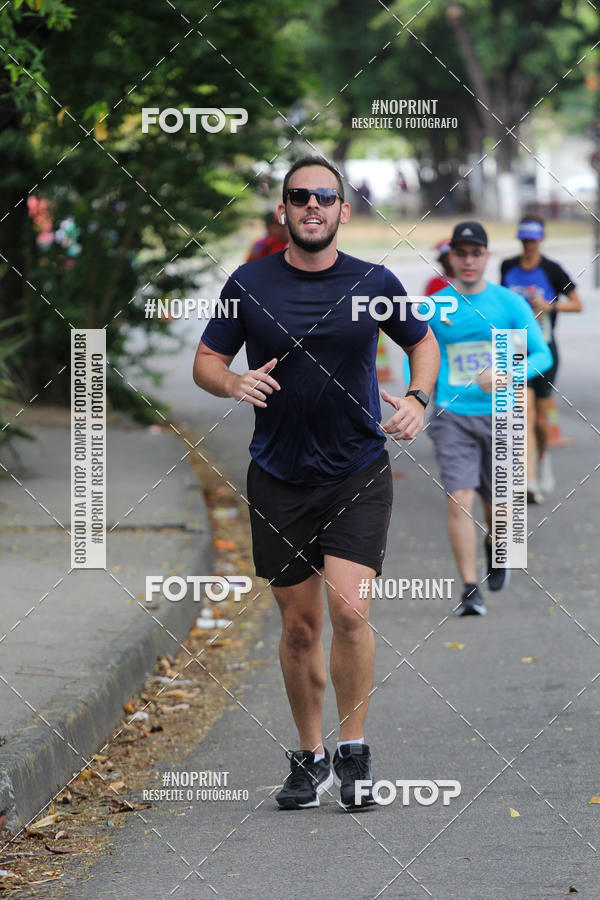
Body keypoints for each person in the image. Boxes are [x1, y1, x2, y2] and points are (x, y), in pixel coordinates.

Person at [193, 155, 440, 809]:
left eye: (324, 197)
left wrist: (418, 397)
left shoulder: (372, 280)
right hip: (278, 475)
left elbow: (424, 342)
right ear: (283, 209)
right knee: (299, 628)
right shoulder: (249, 284)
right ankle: (309, 757)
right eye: (298, 195)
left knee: (350, 612)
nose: (311, 206)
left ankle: (353, 753)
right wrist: (232, 381)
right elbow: (207, 360)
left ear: (342, 211)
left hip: (357, 469)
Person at [419, 221, 552, 617]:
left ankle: (497, 548)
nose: (469, 260)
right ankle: (469, 587)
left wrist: (508, 374)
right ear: (451, 258)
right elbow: (420, 354)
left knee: (499, 509)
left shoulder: (509, 303)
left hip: (501, 414)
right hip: (452, 415)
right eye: (461, 253)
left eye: (477, 253)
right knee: (459, 498)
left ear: (487, 256)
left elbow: (543, 355)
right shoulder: (438, 306)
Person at [500, 217, 583, 502]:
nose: (528, 245)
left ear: (541, 240)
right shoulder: (507, 267)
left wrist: (550, 306)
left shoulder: (552, 269)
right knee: (524, 412)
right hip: (515, 347)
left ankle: (543, 457)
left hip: (544, 349)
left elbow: (577, 303)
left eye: (533, 240)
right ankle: (528, 478)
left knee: (540, 416)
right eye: (524, 239)